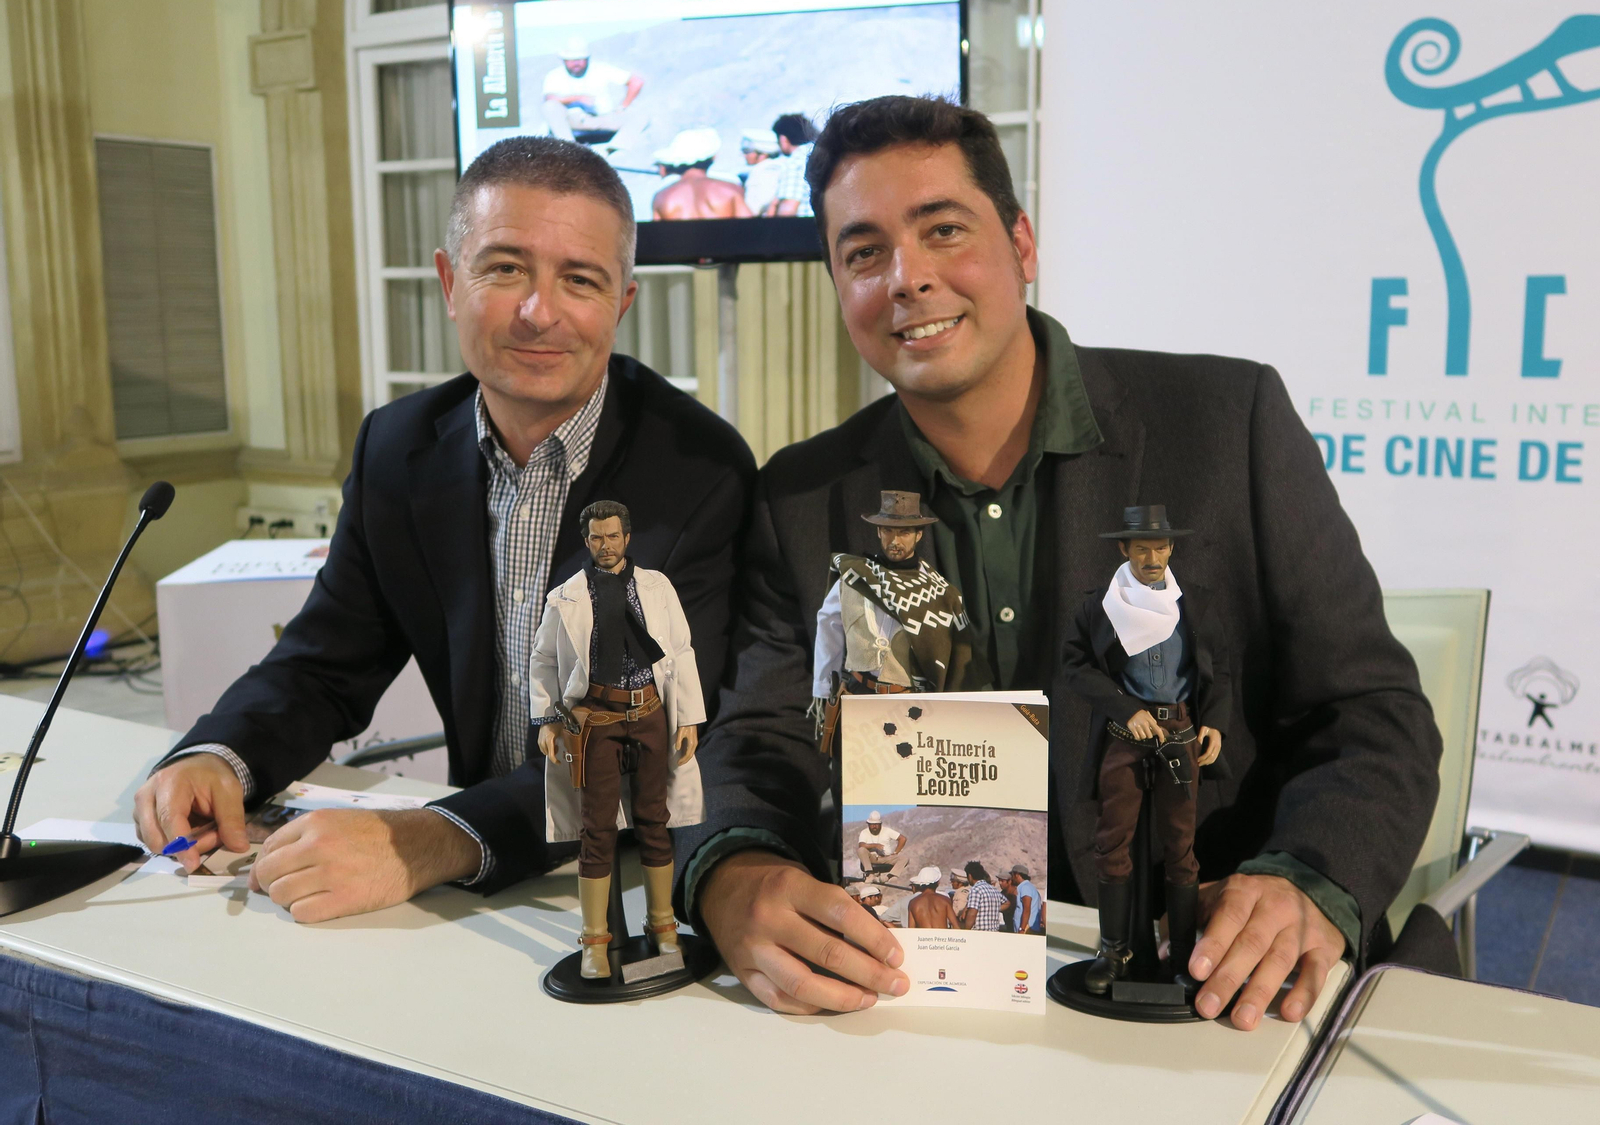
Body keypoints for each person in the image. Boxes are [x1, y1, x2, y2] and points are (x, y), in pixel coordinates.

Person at [679, 95, 1439, 1030]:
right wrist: (730, 866)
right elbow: (759, 738)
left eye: (943, 229)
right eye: (864, 252)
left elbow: (1371, 714)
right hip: (924, 988)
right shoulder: (802, 495)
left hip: (1204, 986)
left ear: (1022, 245)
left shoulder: (1226, 423)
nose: (907, 278)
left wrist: (1310, 880)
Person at [133, 136, 754, 923]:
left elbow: (651, 745)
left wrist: (430, 839)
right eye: (505, 269)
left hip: (631, 887)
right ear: (448, 281)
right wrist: (218, 755)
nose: (540, 311)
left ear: (621, 304)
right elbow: (326, 664)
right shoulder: (398, 447)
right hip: (472, 886)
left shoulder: (700, 471)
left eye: (581, 280)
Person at [531, 500, 703, 979]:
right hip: (597, 720)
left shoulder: (656, 587)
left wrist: (687, 718)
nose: (604, 546)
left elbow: (682, 651)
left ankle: (663, 926)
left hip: (649, 712)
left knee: (655, 821)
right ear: (585, 541)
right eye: (595, 538)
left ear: (627, 537)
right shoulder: (565, 597)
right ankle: (595, 940)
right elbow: (543, 659)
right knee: (597, 829)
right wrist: (547, 719)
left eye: (612, 536)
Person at [1063, 505, 1229, 994]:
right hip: (1126, 737)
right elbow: (1075, 666)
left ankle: (1180, 957)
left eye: (1159, 547)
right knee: (1111, 843)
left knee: (1182, 849)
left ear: (1172, 548)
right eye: (1141, 549)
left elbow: (1218, 671)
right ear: (1124, 550)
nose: (1152, 557)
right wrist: (1123, 707)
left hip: (1179, 734)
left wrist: (1214, 724)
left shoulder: (1194, 603)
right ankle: (1114, 951)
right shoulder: (1100, 607)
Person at [810, 489, 980, 754]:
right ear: (878, 532)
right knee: (852, 778)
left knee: (902, 775)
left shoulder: (940, 594)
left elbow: (957, 655)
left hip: (909, 705)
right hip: (857, 695)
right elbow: (827, 623)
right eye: (888, 531)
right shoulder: (854, 576)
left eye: (904, 532)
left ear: (918, 535)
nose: (894, 540)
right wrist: (824, 686)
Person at [541, 35, 643, 147]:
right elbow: (550, 99)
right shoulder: (554, 76)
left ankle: (611, 150)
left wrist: (623, 107)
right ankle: (570, 148)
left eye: (580, 59)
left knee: (640, 115)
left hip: (602, 117)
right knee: (550, 107)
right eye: (571, 60)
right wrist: (578, 98)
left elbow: (636, 82)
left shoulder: (601, 69)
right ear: (563, 60)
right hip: (573, 119)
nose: (576, 63)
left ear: (587, 58)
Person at [650, 129, 752, 221]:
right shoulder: (730, 191)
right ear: (713, 157)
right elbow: (754, 231)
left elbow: (656, 238)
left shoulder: (662, 197)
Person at [766, 112, 817, 217]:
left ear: (783, 139)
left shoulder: (795, 162)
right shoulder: (821, 153)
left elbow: (788, 210)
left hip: (803, 228)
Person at [855, 810, 907, 884]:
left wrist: (896, 852)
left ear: (880, 824)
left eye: (876, 824)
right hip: (872, 858)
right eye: (872, 824)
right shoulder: (864, 832)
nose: (874, 826)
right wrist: (875, 845)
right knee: (861, 850)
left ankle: (888, 877)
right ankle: (870, 874)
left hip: (886, 857)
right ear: (868, 824)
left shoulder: (887, 831)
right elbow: (861, 845)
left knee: (904, 858)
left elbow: (903, 839)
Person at [740, 128, 783, 215]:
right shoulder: (778, 166)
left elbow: (754, 208)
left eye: (747, 151)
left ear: (762, 153)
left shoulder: (764, 171)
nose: (744, 155)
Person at [959, 862, 1006, 931]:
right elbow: (1007, 903)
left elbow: (972, 914)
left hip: (979, 933)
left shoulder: (975, 890)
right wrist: (993, 908)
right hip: (994, 933)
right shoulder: (993, 889)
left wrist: (966, 931)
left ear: (970, 876)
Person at [1010, 864, 1043, 935]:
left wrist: (1022, 928)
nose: (1011, 878)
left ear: (1017, 875)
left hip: (1027, 930)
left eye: (1012, 875)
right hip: (1027, 929)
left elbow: (1027, 909)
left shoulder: (1025, 887)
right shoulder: (1028, 887)